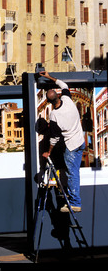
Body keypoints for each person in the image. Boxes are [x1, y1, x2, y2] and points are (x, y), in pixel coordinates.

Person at [39, 72, 85, 213]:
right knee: (72, 172)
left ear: (49, 102)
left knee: (72, 174)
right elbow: (63, 85)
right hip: (80, 141)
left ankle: (75, 203)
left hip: (71, 146)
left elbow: (54, 138)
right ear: (58, 96)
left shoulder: (54, 115)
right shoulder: (68, 100)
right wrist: (48, 76)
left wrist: (49, 152)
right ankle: (72, 199)